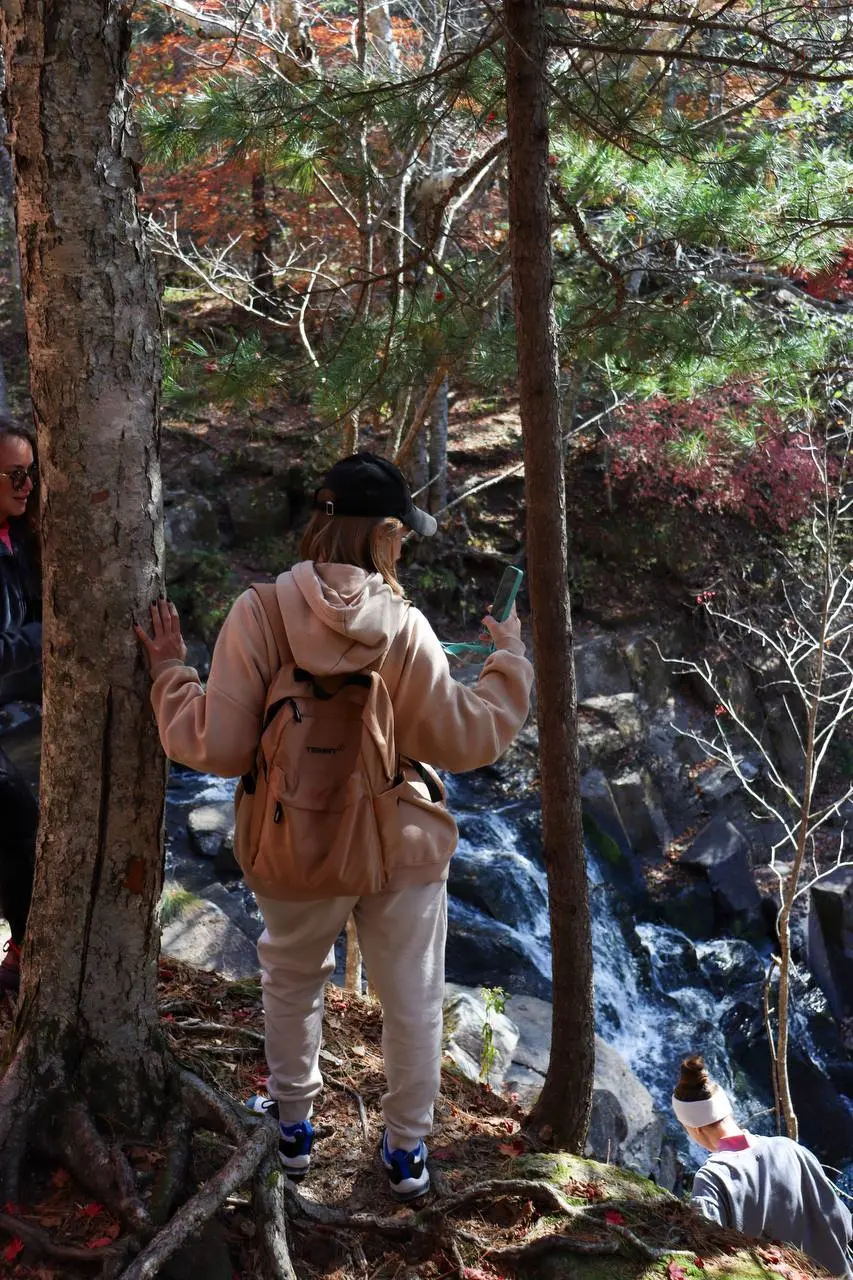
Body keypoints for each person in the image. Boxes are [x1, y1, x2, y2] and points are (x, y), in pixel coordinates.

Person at [136, 451, 533, 1201]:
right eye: (401, 533)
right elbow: (469, 738)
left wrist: (170, 673)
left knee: (291, 979)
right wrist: (507, 661)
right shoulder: (404, 626)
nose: (407, 546)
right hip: (397, 844)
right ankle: (407, 1153)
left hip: (291, 838)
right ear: (382, 534)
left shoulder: (259, 612)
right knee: (411, 995)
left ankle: (291, 1131)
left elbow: (214, 746)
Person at [673, 1054, 853, 1278]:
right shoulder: (791, 1149)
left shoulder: (713, 1178)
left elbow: (706, 1257)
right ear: (728, 1112)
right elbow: (843, 1224)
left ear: (694, 1128)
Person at [0, 415, 41, 995]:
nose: (27, 485)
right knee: (17, 821)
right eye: (15, 474)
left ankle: (24, 949)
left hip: (17, 717)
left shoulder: (20, 538)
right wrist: (43, 638)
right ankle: (21, 955)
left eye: (31, 474)